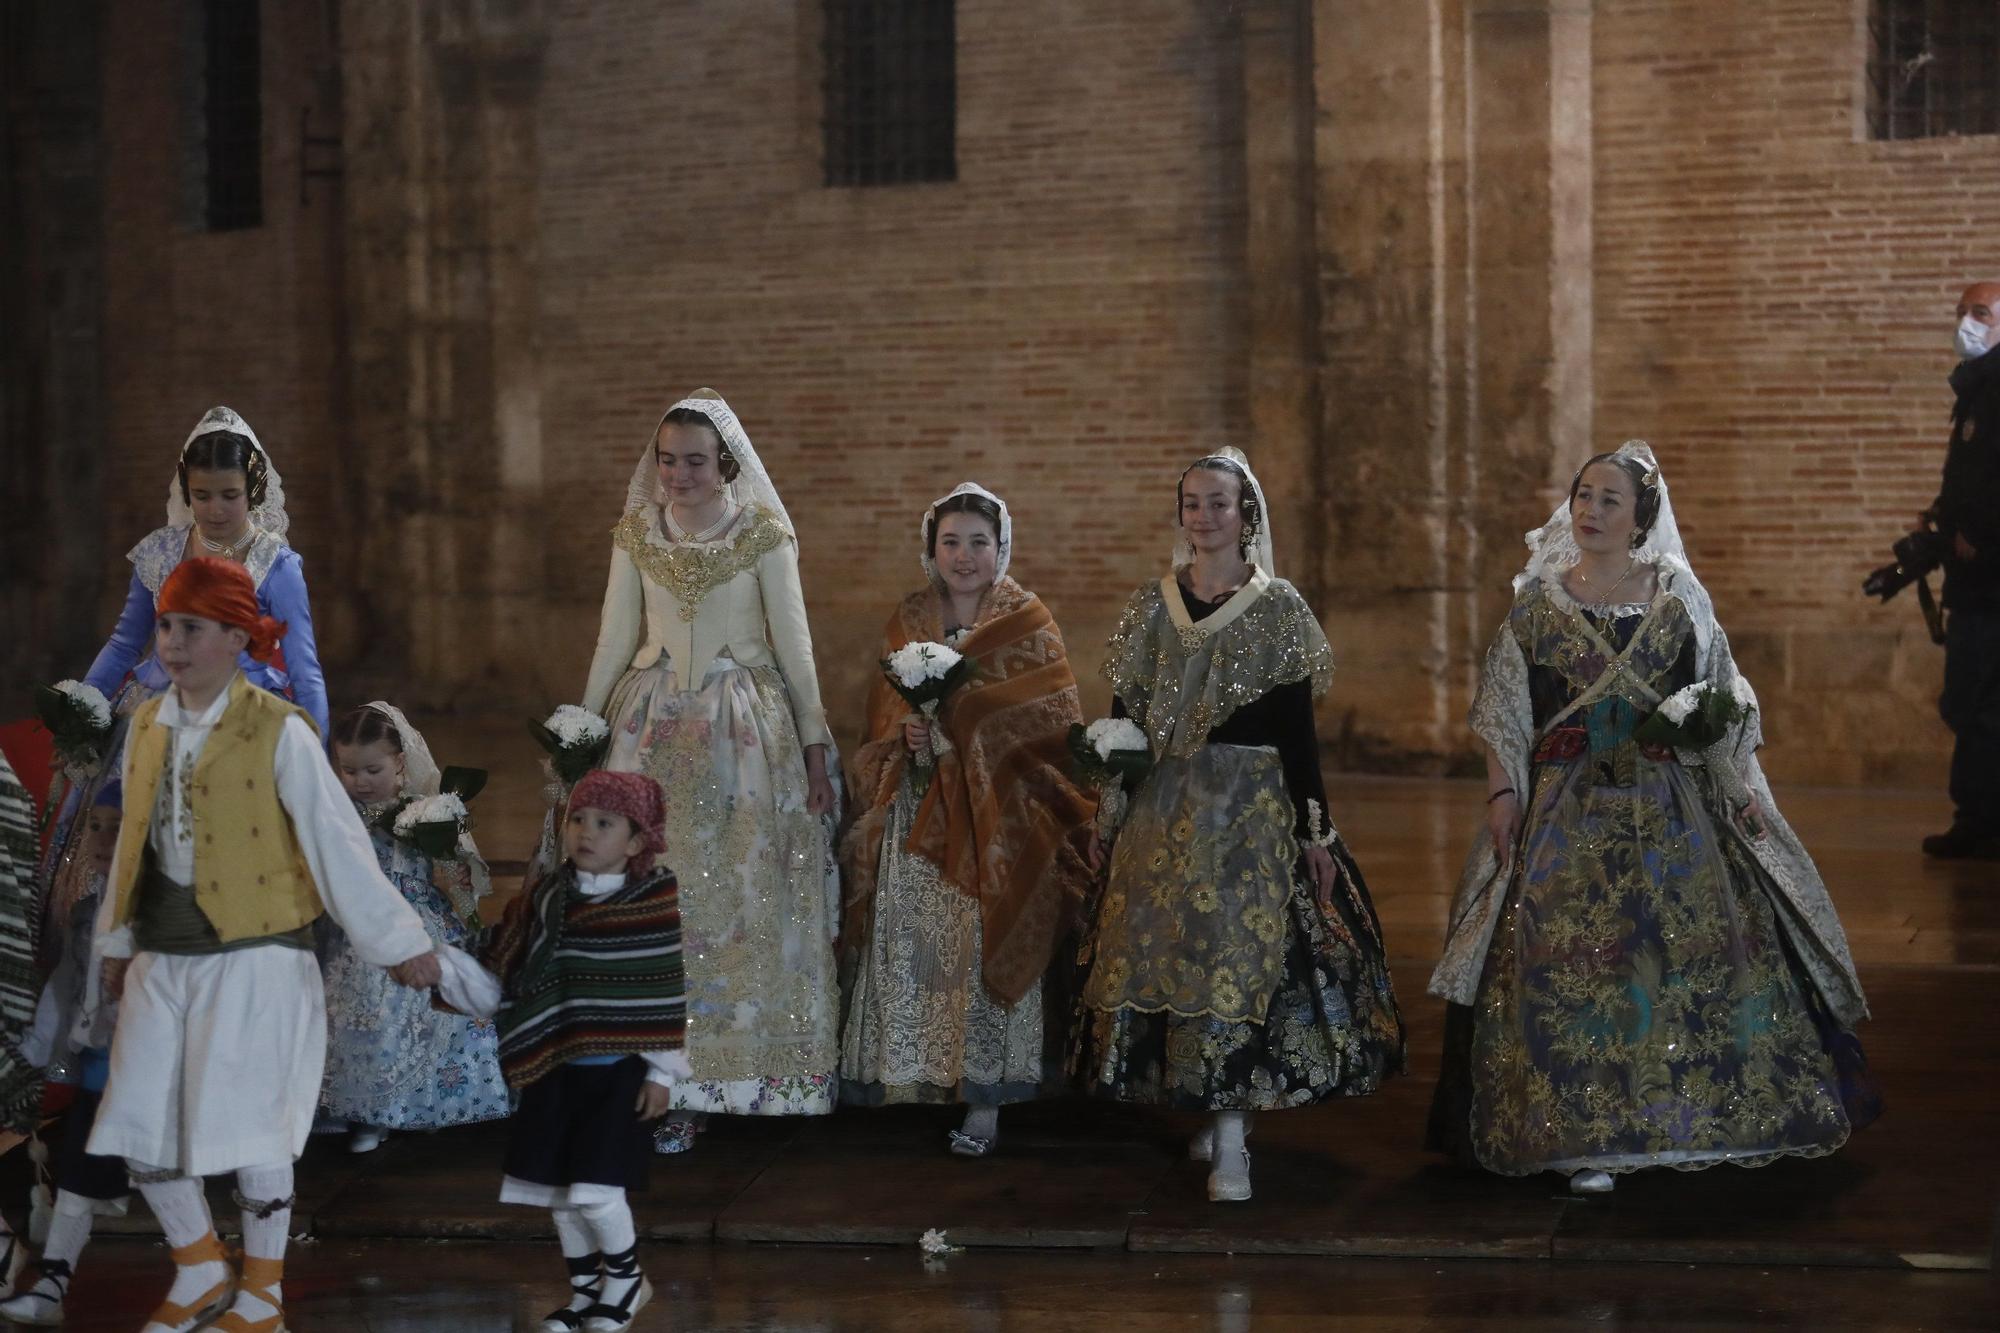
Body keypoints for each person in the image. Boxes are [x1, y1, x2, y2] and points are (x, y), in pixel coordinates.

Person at [1425, 442, 1880, 1194]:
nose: (1592, 510)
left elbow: (1722, 690)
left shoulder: (1675, 596)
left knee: (1681, 954)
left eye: (1610, 498)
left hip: (1670, 809)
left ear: (1642, 515)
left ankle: (1688, 1112)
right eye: (1583, 495)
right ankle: (1582, 1132)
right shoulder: (1538, 604)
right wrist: (1502, 796)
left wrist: (1730, 772)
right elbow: (1504, 709)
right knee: (1575, 962)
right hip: (1564, 814)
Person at [86, 557, 438, 1333]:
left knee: (252, 1120)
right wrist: (114, 941)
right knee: (137, 1115)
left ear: (239, 636)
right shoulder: (145, 724)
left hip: (255, 950)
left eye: (194, 628)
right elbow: (134, 842)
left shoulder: (279, 729)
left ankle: (265, 1290)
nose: (173, 644)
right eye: (167, 626)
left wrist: (400, 941)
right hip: (164, 950)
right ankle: (199, 1262)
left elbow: (337, 842)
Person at [1072, 448, 1405, 1203]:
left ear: (1246, 513)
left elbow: (1299, 732)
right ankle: (1210, 1102)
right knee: (1175, 957)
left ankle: (1231, 1135)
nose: (1203, 514)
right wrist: (1110, 805)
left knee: (1238, 960)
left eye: (1219, 502)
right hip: (1165, 808)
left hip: (1250, 811)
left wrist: (1314, 832)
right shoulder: (1151, 605)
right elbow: (1126, 718)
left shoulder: (1279, 605)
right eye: (1192, 501)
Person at [570, 389, 838, 1151]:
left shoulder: (762, 536)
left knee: (736, 896)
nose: (678, 472)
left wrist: (816, 745)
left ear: (724, 464)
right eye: (667, 458)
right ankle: (652, 1078)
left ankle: (735, 1076)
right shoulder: (636, 534)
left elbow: (796, 648)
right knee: (652, 901)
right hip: (648, 734)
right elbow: (612, 639)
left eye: (694, 459)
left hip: (741, 737)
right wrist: (580, 734)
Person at [838, 484, 1097, 1155]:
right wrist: (909, 738)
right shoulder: (908, 621)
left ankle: (986, 1097)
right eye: (950, 541)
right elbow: (880, 720)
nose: (964, 555)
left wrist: (969, 736)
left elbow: (1051, 726)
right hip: (917, 820)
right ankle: (917, 1075)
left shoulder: (1028, 623)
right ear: (931, 548)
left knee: (981, 949)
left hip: (999, 824)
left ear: (1001, 547)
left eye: (978, 542)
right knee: (919, 950)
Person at [39, 406, 328, 978]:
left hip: (244, 721)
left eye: (229, 495)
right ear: (185, 491)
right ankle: (107, 987)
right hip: (152, 713)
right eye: (202, 496)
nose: (216, 510)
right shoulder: (161, 553)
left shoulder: (277, 564)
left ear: (254, 490)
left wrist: (314, 757)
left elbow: (305, 665)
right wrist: (86, 709)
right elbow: (125, 643)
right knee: (120, 848)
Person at [447, 769, 685, 1333]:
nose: (585, 832)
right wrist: (455, 969)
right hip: (556, 1066)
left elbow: (659, 992)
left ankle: (626, 1283)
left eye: (605, 823)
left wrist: (662, 1074)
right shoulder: (549, 895)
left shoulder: (646, 903)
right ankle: (585, 1293)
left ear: (635, 842)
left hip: (617, 1075)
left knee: (598, 1191)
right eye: (578, 818)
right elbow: (516, 959)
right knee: (559, 1194)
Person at [319, 704, 509, 1152]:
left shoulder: (422, 812)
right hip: (351, 920)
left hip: (412, 919)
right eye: (348, 770)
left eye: (372, 769)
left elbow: (457, 868)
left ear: (400, 763)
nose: (360, 781)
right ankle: (338, 1105)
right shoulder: (335, 810)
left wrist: (451, 860)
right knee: (343, 1003)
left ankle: (386, 1110)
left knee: (403, 1002)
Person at [1, 785, 130, 1324]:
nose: (102, 839)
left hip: (150, 1068)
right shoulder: (87, 909)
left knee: (171, 1181)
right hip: (103, 1068)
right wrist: (36, 1052)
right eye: (95, 826)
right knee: (80, 1170)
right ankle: (52, 1283)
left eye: (117, 826)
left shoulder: (154, 910)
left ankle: (220, 1277)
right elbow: (65, 987)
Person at [1924, 281, 2000, 858]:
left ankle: (1980, 820)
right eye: (1962, 312)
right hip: (1973, 580)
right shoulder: (1977, 387)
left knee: (1978, 701)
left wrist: (1981, 531)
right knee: (1968, 700)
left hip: (1991, 577)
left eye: (1980, 313)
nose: (1965, 323)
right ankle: (1978, 816)